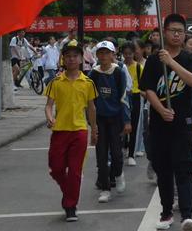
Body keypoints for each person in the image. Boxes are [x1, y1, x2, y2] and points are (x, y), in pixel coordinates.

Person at [139, 14, 192, 231]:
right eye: (172, 30)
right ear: (164, 32)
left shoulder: (189, 58)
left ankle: (187, 215)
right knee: (163, 169)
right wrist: (161, 109)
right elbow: (147, 89)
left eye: (180, 31)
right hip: (159, 123)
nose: (176, 34)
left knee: (184, 168)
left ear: (185, 34)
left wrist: (171, 62)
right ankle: (166, 212)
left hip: (182, 123)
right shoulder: (155, 60)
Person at [44, 41, 98, 222]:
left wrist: (94, 130)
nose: (71, 59)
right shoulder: (56, 82)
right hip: (60, 131)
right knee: (56, 169)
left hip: (80, 131)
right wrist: (49, 117)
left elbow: (91, 109)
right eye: (68, 56)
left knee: (75, 171)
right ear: (63, 59)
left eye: (75, 56)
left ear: (81, 59)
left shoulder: (88, 82)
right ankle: (69, 191)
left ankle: (70, 206)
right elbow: (49, 106)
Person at [89, 41, 131, 203]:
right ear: (97, 55)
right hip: (100, 119)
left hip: (115, 118)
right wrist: (91, 123)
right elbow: (90, 100)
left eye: (107, 53)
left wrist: (126, 120)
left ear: (113, 55)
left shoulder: (118, 72)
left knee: (116, 152)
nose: (104, 56)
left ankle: (118, 174)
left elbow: (124, 97)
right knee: (101, 154)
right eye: (101, 53)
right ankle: (105, 188)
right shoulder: (94, 74)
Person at [121, 41, 144, 166]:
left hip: (136, 96)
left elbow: (143, 84)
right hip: (123, 98)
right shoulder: (119, 66)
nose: (128, 56)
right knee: (123, 125)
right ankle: (123, 146)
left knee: (134, 125)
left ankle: (131, 153)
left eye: (130, 53)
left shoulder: (139, 67)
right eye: (125, 54)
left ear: (134, 53)